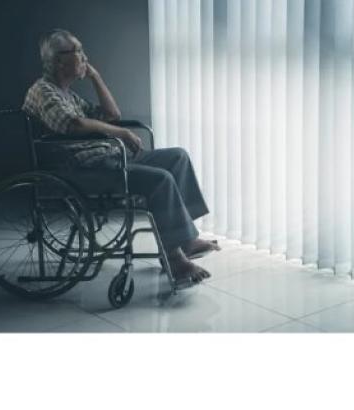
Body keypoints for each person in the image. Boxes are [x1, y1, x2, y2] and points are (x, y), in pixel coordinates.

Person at [22, 29, 220, 285]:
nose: (84, 56)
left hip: (108, 159)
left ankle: (184, 239)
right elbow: (72, 125)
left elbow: (112, 115)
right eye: (78, 51)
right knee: (160, 180)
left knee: (177, 158)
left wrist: (95, 77)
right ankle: (175, 256)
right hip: (82, 171)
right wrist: (121, 132)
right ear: (59, 60)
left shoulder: (68, 94)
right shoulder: (43, 91)